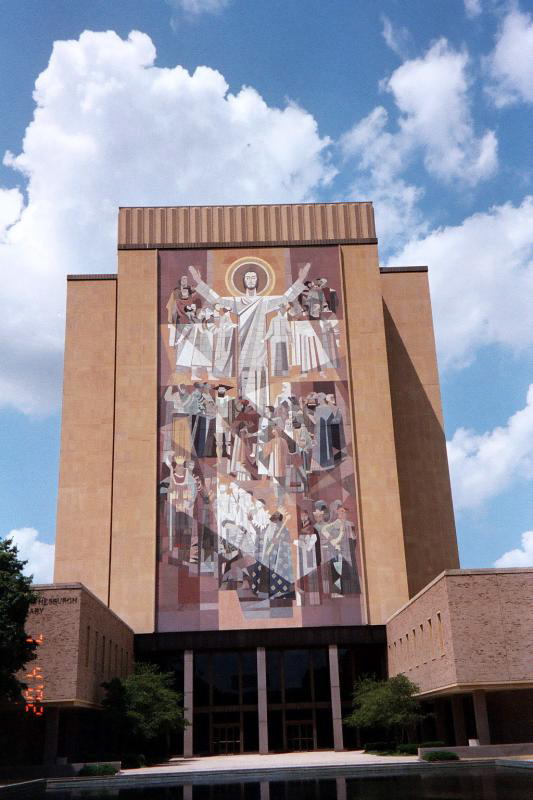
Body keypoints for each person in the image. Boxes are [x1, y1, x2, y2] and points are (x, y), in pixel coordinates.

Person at [187, 262, 311, 410]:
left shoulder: (264, 301)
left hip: (260, 352)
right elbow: (217, 299)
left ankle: (263, 415)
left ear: (258, 281)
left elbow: (286, 298)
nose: (251, 279)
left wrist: (300, 280)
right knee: (244, 389)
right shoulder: (237, 302)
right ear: (243, 281)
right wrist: (199, 282)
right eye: (248, 277)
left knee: (261, 387)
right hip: (243, 350)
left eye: (253, 277)